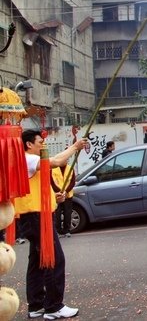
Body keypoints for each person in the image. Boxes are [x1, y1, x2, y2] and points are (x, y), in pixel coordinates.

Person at [15, 129, 87, 319]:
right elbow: (55, 161)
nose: (43, 145)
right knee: (54, 259)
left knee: (38, 262)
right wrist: (75, 146)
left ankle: (36, 305)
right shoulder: (28, 158)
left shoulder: (28, 161)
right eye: (40, 142)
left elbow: (34, 189)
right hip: (36, 216)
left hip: (33, 214)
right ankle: (54, 306)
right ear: (29, 144)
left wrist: (55, 198)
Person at [51, 165, 75, 238]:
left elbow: (72, 182)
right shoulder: (53, 169)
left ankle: (67, 230)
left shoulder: (70, 168)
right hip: (57, 195)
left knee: (67, 213)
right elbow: (51, 182)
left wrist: (66, 191)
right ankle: (58, 231)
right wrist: (60, 191)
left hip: (68, 195)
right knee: (57, 214)